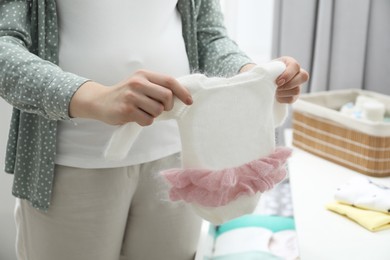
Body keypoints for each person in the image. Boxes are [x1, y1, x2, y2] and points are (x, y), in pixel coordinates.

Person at [0, 0, 309, 260]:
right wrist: (95, 97)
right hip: (70, 165)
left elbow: (208, 37)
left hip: (180, 160)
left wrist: (251, 79)